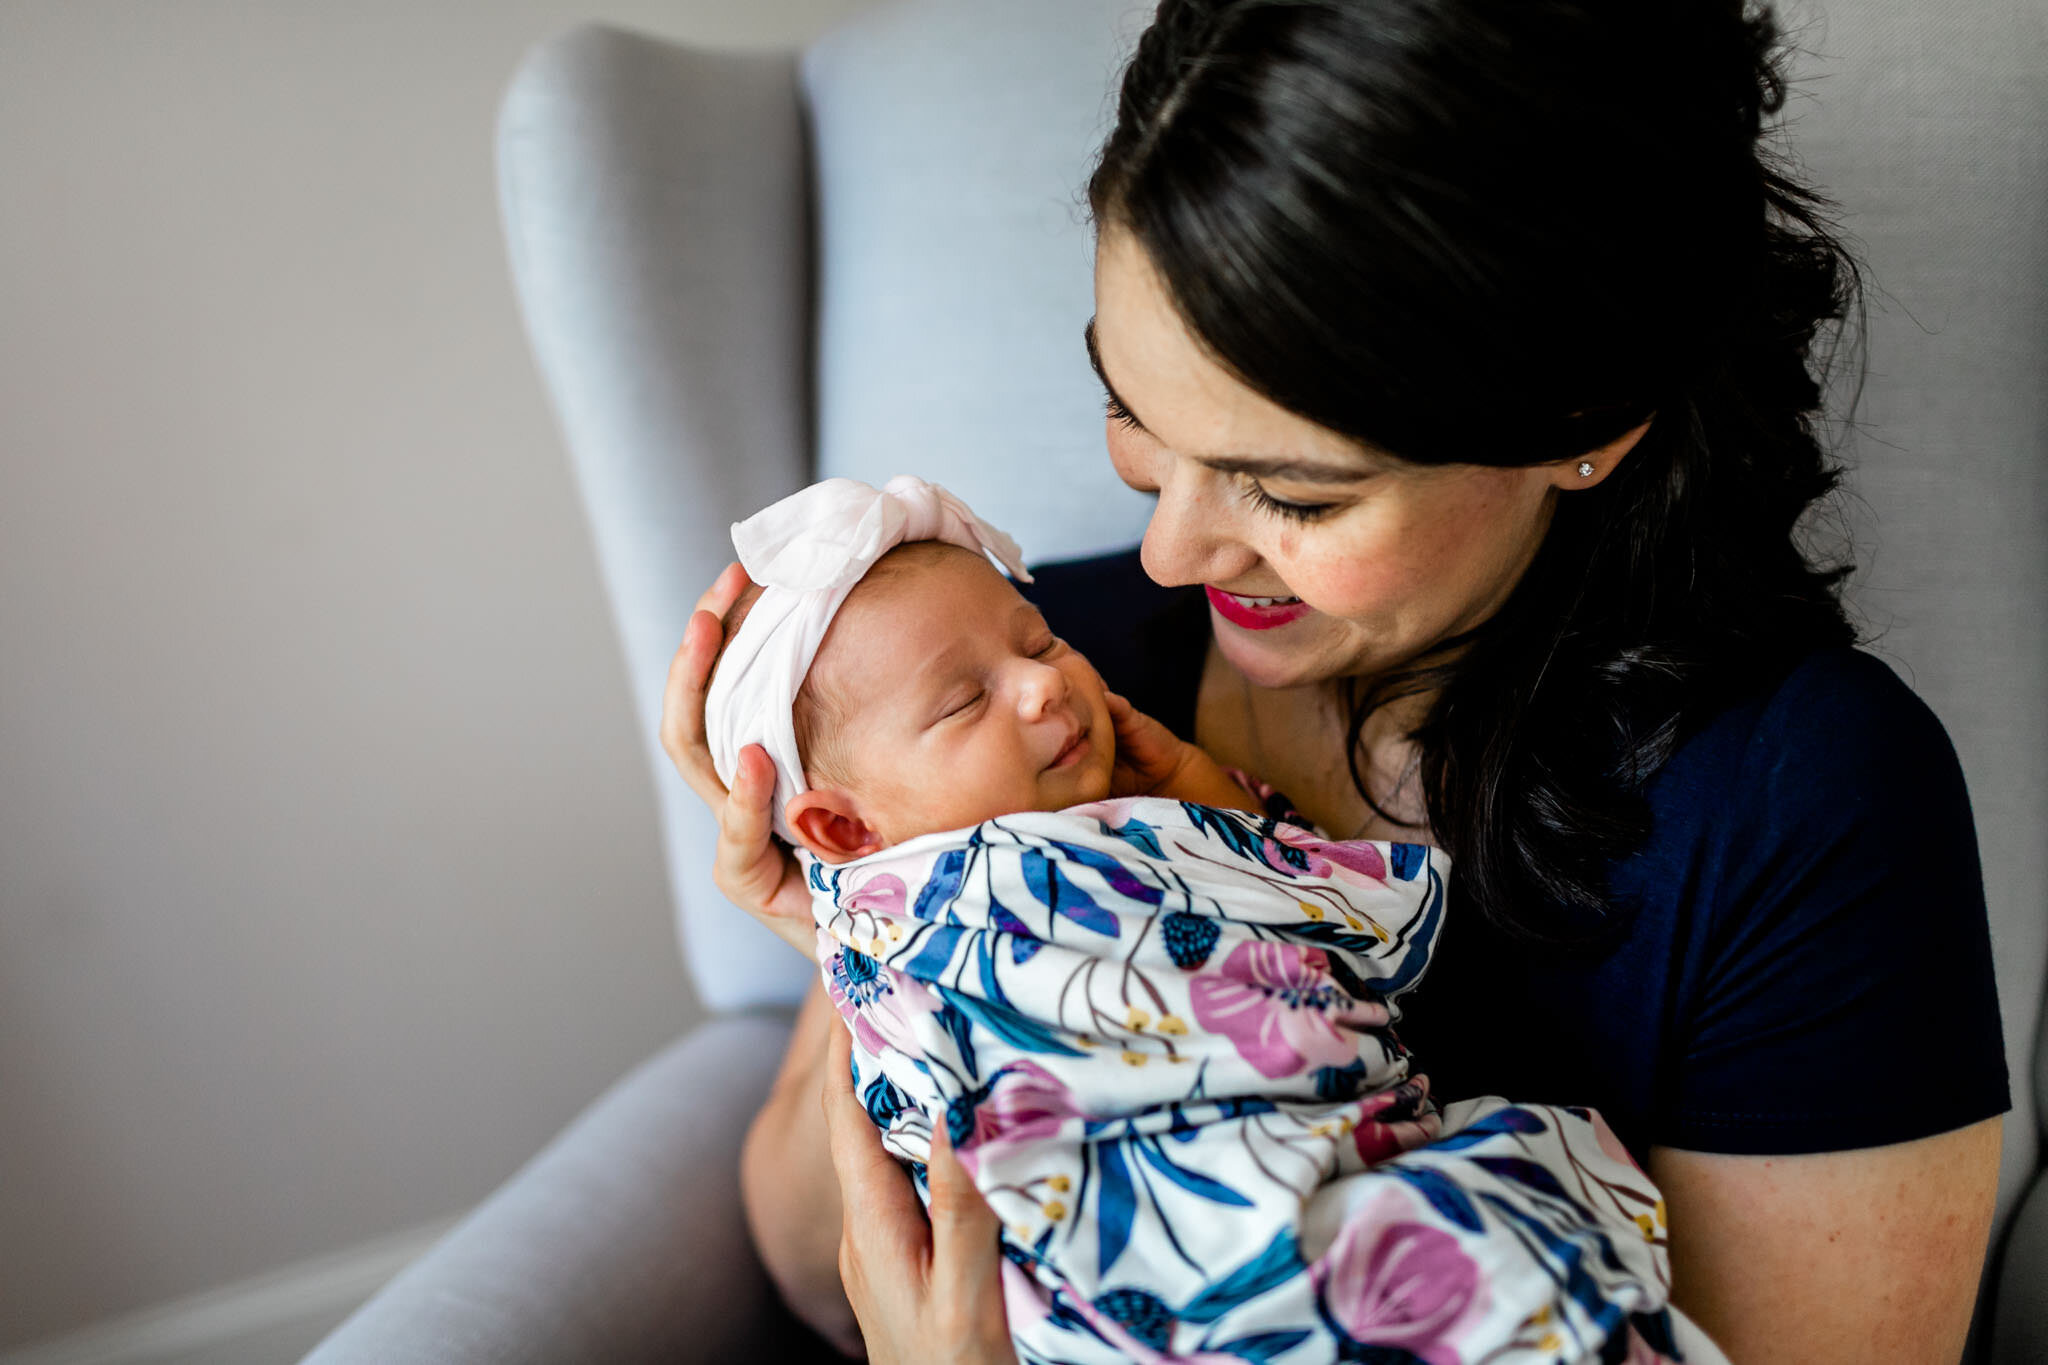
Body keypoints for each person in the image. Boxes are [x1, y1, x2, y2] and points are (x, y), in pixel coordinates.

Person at [658, 2, 2010, 1361]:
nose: (1169, 551)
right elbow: (812, 1270)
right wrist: (861, 928)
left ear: (1581, 424)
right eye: (1132, 412)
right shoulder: (1024, 663)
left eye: (1292, 491)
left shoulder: (1801, 805)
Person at [705, 473, 1720, 1364]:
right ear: (836, 824)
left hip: (1127, 1282)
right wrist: (1223, 813)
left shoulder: (910, 885)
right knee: (1484, 1264)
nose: (1044, 683)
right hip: (1155, 1255)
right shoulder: (1069, 856)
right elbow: (1381, 924)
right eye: (961, 704)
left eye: (1036, 638)